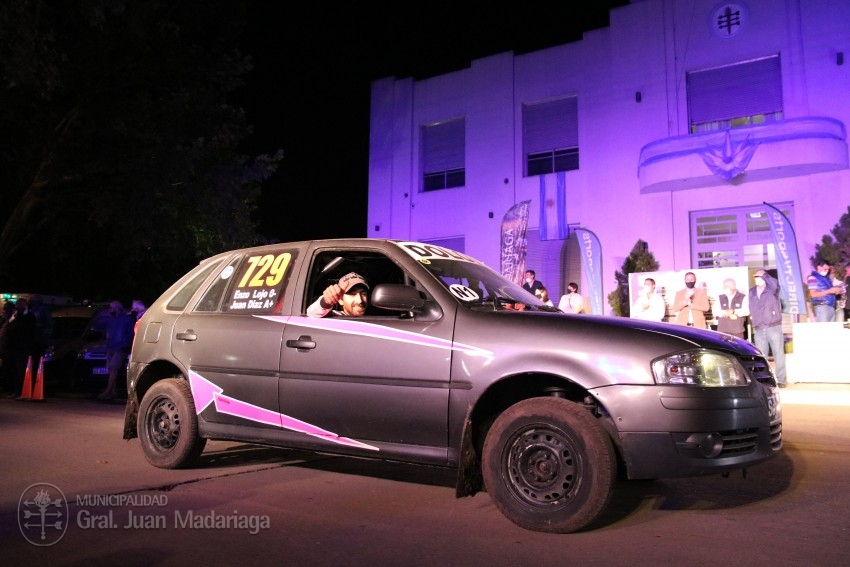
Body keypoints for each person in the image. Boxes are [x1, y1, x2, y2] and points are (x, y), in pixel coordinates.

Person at [749, 269, 787, 387]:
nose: (757, 277)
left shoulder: (772, 289)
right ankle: (763, 379)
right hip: (759, 328)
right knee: (760, 356)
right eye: (755, 276)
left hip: (773, 326)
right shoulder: (752, 291)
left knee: (778, 354)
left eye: (760, 276)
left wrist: (764, 275)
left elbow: (774, 283)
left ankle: (781, 380)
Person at [98, 300, 135, 401]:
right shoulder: (110, 319)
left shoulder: (126, 319)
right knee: (111, 370)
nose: (110, 309)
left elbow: (130, 333)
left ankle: (108, 391)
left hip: (120, 347)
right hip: (111, 347)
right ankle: (113, 392)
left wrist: (126, 346)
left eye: (111, 307)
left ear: (117, 308)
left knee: (113, 368)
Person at [6, 298, 38, 398]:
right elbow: (9, 324)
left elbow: (29, 332)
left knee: (21, 370)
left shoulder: (29, 316)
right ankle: (15, 390)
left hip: (23, 347)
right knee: (14, 369)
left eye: (19, 305)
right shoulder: (16, 315)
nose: (17, 307)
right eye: (17, 305)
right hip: (13, 347)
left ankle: (21, 391)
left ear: (24, 305)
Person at [28, 294, 54, 371]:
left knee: (37, 362)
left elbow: (48, 326)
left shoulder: (44, 311)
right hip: (30, 341)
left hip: (39, 342)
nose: (29, 303)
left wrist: (44, 340)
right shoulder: (30, 311)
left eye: (31, 301)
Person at [0, 301, 16, 394]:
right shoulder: (5, 320)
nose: (5, 312)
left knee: (10, 368)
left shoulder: (14, 319)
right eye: (5, 309)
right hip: (3, 348)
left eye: (7, 309)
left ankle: (10, 388)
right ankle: (6, 387)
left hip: (10, 348)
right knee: (5, 368)